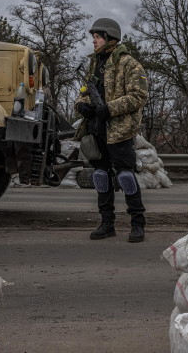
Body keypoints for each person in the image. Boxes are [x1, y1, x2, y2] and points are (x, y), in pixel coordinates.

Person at [74, 17, 149, 242]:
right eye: (94, 37)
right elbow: (84, 92)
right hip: (96, 129)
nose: (94, 41)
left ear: (109, 38)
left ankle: (137, 224)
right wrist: (82, 106)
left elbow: (138, 96)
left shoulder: (129, 64)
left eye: (97, 37)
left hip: (119, 130)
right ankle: (107, 224)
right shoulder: (94, 64)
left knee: (125, 176)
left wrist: (109, 109)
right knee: (101, 176)